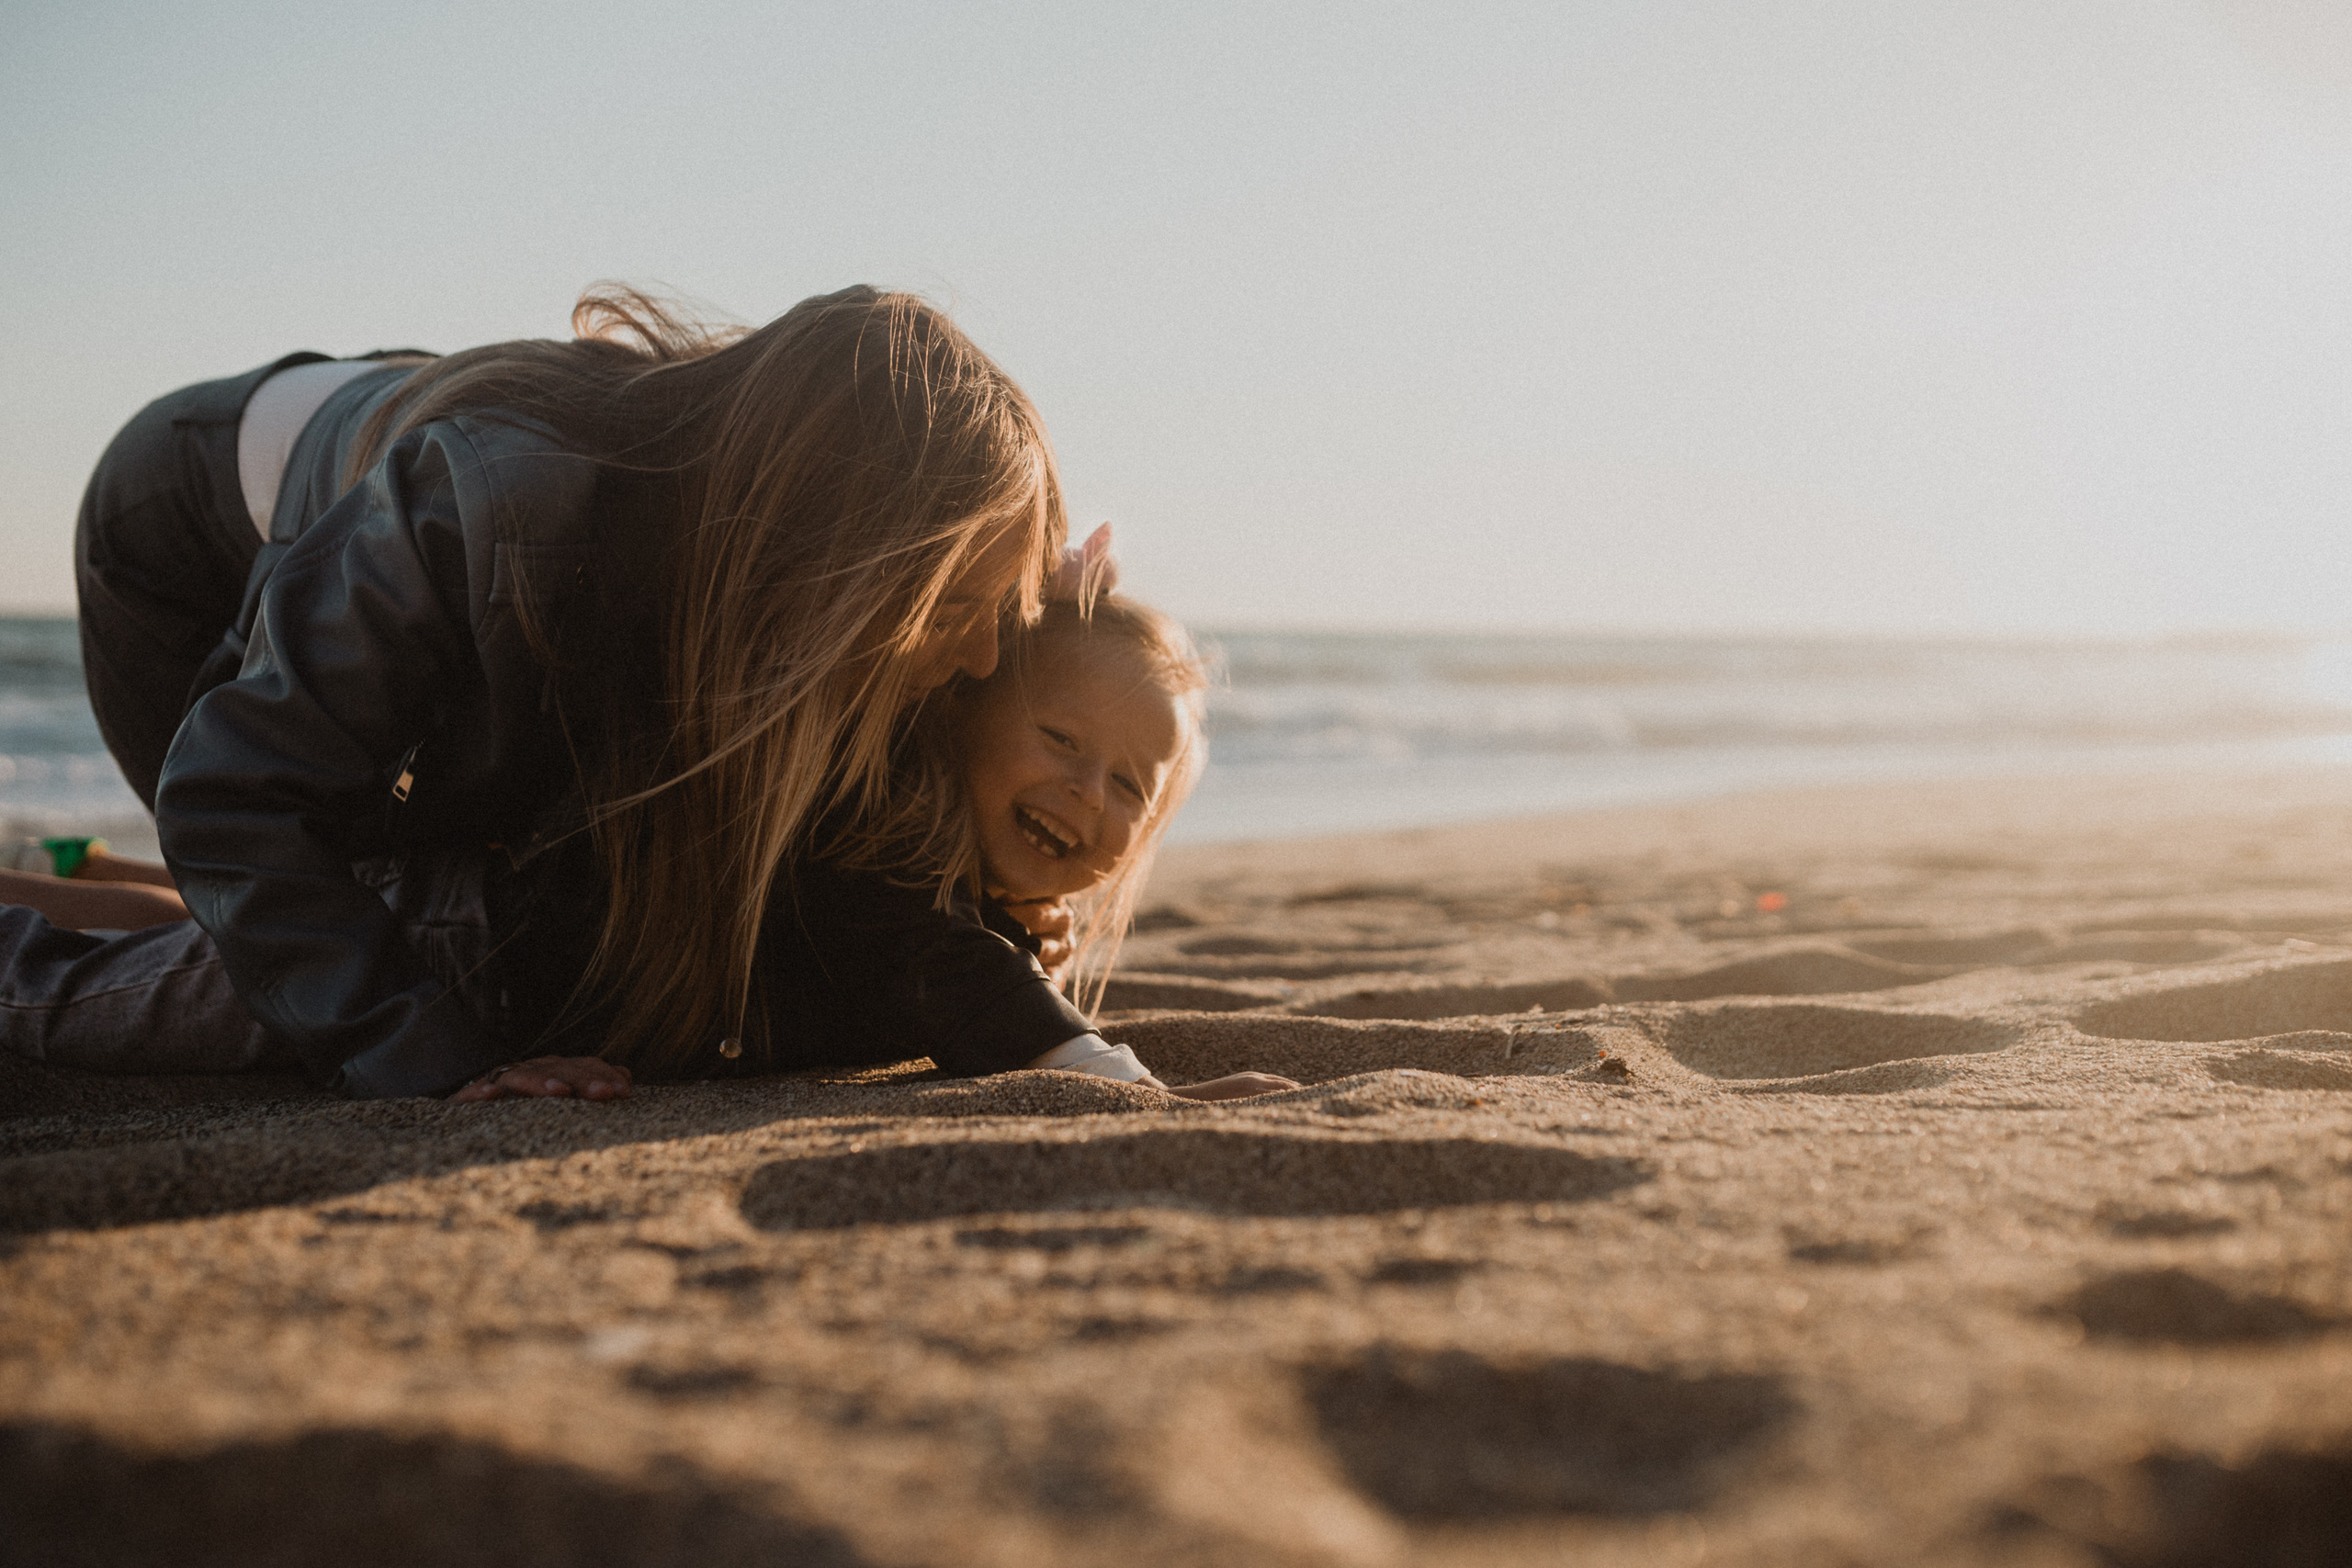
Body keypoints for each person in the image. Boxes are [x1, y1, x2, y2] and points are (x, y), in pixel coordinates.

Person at [12, 284, 1287, 1102]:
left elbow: (913, 798)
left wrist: (1027, 628)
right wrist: (441, 1067)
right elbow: (238, 792)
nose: (969, 664)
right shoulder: (508, 512)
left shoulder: (760, 578)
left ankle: (34, 873)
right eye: (956, 617)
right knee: (313, 894)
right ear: (845, 565)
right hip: (182, 532)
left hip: (395, 455)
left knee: (385, 905)